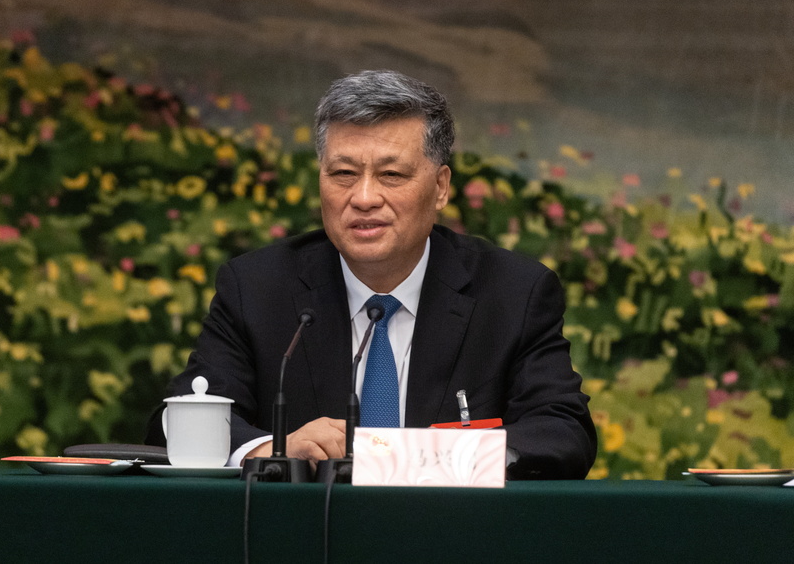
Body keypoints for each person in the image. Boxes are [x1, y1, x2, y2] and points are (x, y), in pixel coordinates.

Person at [145, 70, 597, 479]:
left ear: (440, 187)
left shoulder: (513, 292)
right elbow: (178, 421)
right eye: (342, 173)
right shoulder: (257, 288)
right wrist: (273, 449)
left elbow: (562, 430)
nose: (363, 197)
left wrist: (437, 457)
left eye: (391, 175)